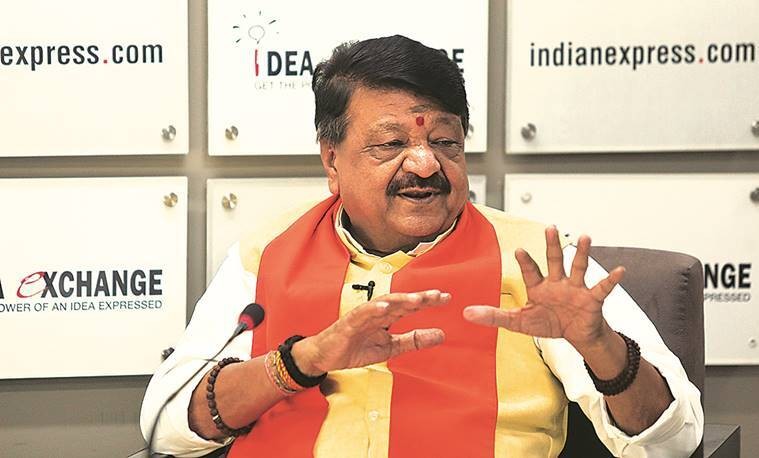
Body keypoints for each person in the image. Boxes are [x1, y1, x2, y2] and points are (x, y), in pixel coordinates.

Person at [141, 35, 703, 457]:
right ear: (331, 160)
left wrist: (602, 348)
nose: (426, 164)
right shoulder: (264, 255)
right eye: (391, 144)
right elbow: (166, 426)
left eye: (445, 141)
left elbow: (675, 442)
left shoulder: (534, 261)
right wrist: (299, 363)